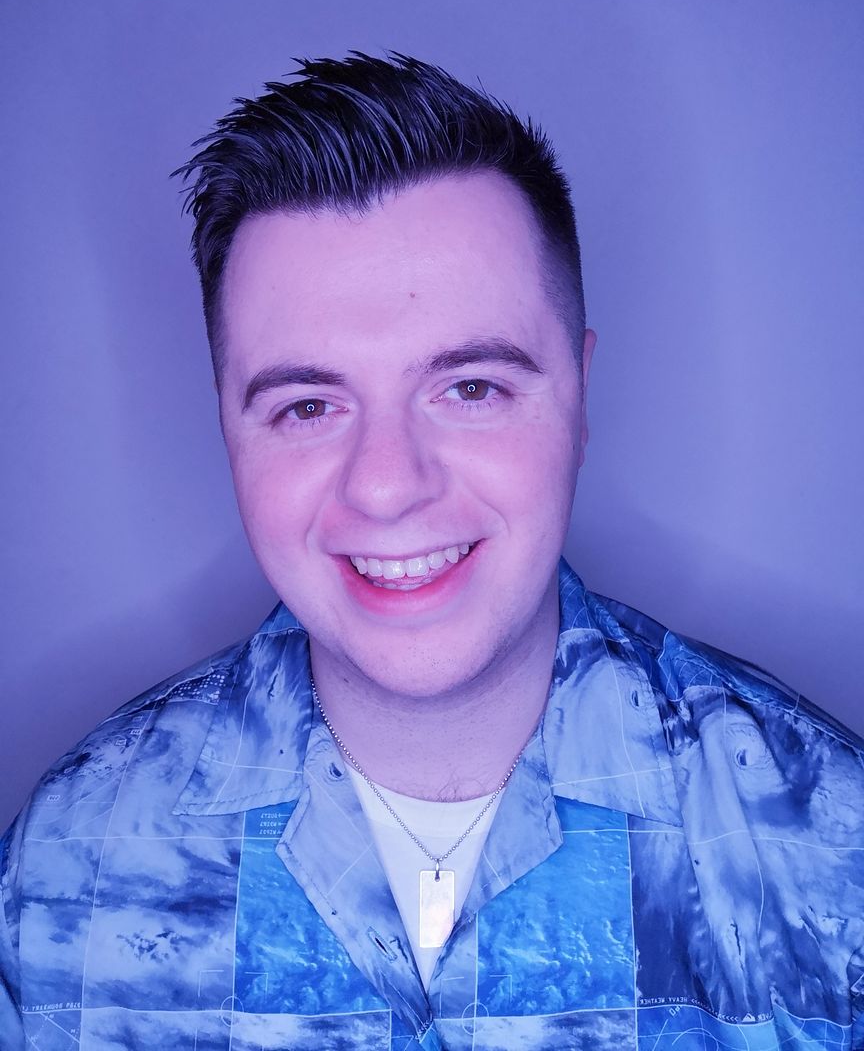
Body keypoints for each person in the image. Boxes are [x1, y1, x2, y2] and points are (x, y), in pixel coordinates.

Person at [1, 52, 862, 1051]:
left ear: (579, 396)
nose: (386, 484)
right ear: (228, 426)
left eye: (470, 389)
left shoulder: (837, 850)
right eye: (307, 406)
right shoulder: (64, 869)